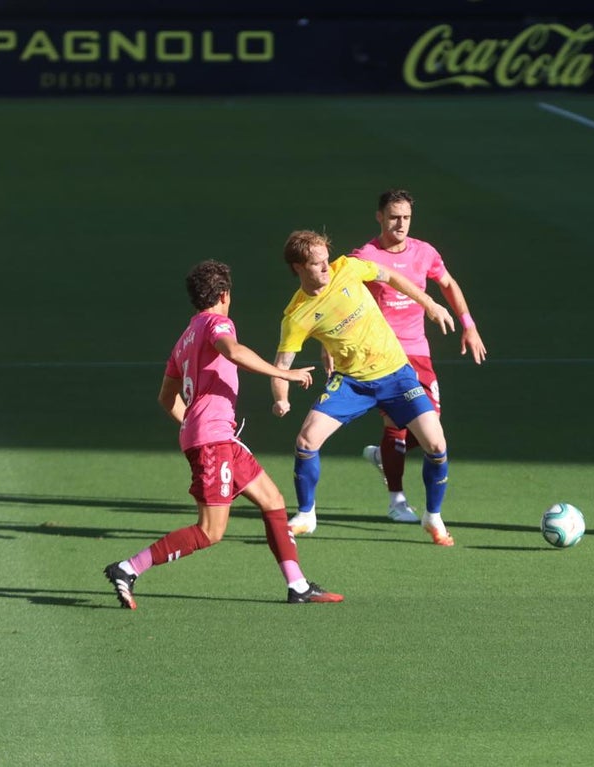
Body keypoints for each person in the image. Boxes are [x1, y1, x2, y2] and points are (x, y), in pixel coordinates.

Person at [103, 260, 343, 608]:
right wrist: (284, 374)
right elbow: (233, 350)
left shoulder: (184, 338)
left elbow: (165, 398)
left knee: (273, 502)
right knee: (210, 531)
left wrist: (191, 425)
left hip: (219, 438)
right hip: (213, 441)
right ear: (224, 294)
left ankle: (298, 585)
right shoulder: (218, 323)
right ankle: (128, 568)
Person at [272, 230, 458, 546]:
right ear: (298, 268)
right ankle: (306, 514)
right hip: (352, 384)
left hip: (397, 375)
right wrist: (281, 398)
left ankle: (433, 516)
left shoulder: (349, 267)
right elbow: (281, 366)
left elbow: (393, 277)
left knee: (436, 446)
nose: (326, 268)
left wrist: (430, 304)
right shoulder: (297, 315)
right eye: (316, 265)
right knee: (306, 440)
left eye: (325, 260)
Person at [351, 189, 487, 523]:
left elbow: (448, 283)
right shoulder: (364, 256)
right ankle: (397, 501)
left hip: (419, 353)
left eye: (406, 218)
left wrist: (469, 325)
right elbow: (343, 299)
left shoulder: (424, 252)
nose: (400, 224)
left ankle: (386, 456)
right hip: (382, 354)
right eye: (394, 216)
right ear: (379, 216)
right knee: (396, 427)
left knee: (430, 430)